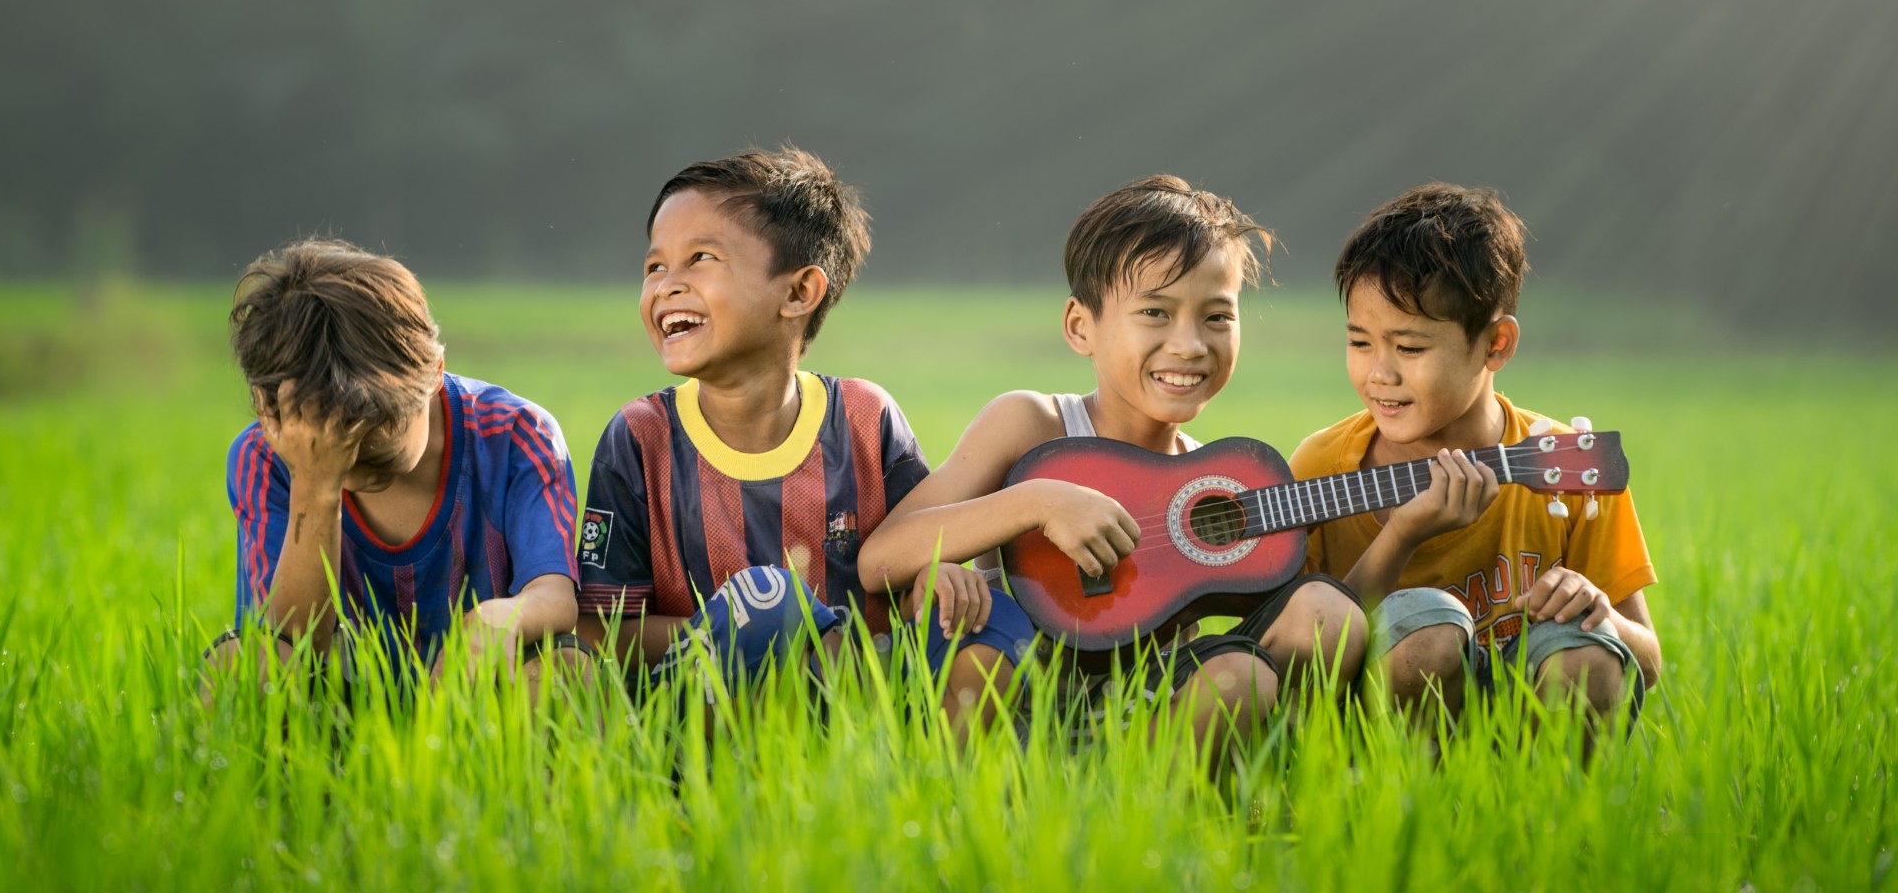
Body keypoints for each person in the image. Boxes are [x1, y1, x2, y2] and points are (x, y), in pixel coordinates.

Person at [858, 176, 1366, 763]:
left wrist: (1410, 521)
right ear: (1081, 326)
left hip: (1147, 721)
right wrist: (1038, 503)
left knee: (1289, 642)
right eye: (1155, 311)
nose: (1189, 344)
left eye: (1217, 317)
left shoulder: (1212, 482)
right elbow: (880, 558)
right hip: (1019, 709)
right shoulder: (1033, 423)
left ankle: (1192, 806)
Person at [575, 148, 1033, 734]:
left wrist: (937, 578)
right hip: (705, 713)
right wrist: (790, 632)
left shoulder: (866, 418)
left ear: (799, 293)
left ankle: (932, 786)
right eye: (655, 267)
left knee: (998, 617)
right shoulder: (640, 437)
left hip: (861, 698)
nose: (669, 286)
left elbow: (913, 560)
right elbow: (603, 630)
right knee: (770, 599)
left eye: (700, 259)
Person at [1290, 183, 1661, 727]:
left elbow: (1646, 662)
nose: (1379, 373)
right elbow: (1302, 666)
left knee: (1586, 655)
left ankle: (1548, 811)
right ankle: (1417, 806)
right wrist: (1401, 536)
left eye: (1410, 348)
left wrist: (1600, 614)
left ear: (1497, 345)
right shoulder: (1320, 465)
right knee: (1426, 635)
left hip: (1522, 721)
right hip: (1374, 741)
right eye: (1360, 342)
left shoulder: (1567, 467)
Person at [213, 238, 583, 690]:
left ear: (434, 374)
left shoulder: (516, 435)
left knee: (563, 671)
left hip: (482, 691)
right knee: (241, 666)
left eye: (366, 431)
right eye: (322, 434)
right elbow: (289, 640)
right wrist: (315, 483)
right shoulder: (266, 456)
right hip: (338, 701)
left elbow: (555, 594)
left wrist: (498, 617)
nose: (343, 452)